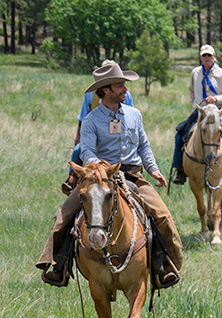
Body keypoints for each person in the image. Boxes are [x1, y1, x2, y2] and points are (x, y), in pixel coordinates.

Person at [37, 62, 182, 288]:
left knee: (163, 216)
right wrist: (99, 169)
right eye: (119, 85)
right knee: (62, 218)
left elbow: (144, 145)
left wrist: (153, 169)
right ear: (106, 90)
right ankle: (59, 265)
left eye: (124, 85)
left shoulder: (135, 115)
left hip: (133, 176)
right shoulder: (91, 120)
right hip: (98, 179)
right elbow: (85, 150)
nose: (125, 89)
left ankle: (163, 265)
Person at [171, 44, 222, 186]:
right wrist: (197, 106)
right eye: (204, 55)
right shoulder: (195, 73)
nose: (206, 58)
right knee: (179, 134)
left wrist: (216, 99)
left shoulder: (221, 74)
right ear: (200, 57)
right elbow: (191, 91)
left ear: (214, 57)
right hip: (201, 112)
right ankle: (179, 170)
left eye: (209, 55)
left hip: (218, 111)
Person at [61, 59, 134, 195]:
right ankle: (72, 177)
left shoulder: (125, 95)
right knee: (78, 149)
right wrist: (79, 136)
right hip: (95, 132)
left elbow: (130, 116)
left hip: (120, 137)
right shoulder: (90, 95)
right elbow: (83, 115)